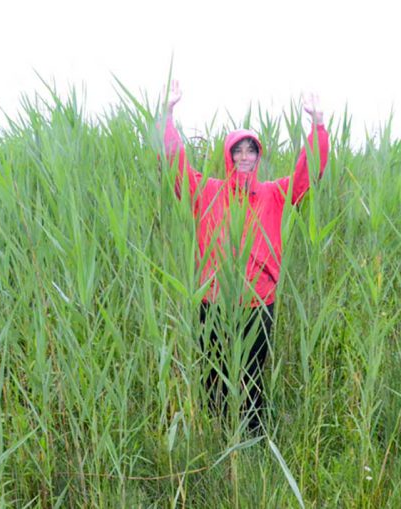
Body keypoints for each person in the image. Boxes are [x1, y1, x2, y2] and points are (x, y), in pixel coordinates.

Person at [159, 81, 330, 432]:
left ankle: (252, 442)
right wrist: (168, 115)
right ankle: (216, 436)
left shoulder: (274, 194)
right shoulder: (207, 191)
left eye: (251, 151)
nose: (245, 158)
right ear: (228, 156)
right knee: (213, 374)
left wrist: (318, 128)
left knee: (252, 377)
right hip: (214, 301)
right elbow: (176, 167)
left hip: (258, 303)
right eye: (238, 151)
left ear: (258, 157)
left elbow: (306, 176)